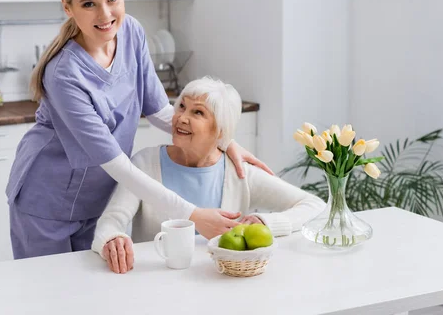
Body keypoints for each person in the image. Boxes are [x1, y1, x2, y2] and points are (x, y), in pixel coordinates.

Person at [5, 0, 272, 259]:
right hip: (46, 202)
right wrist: (194, 215)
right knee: (47, 300)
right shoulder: (64, 73)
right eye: (88, 4)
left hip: (98, 199)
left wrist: (223, 142)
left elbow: (160, 111)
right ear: (68, 8)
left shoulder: (130, 31)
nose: (105, 14)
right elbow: (118, 164)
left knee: (90, 299)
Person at [91, 77, 326, 274]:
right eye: (181, 106)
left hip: (221, 283)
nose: (182, 117)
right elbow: (111, 221)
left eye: (198, 112)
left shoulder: (239, 173)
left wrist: (266, 223)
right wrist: (112, 239)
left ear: (221, 131)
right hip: (158, 286)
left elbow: (314, 205)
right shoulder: (145, 162)